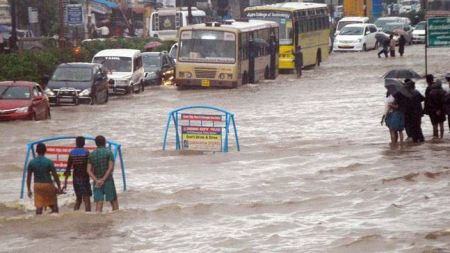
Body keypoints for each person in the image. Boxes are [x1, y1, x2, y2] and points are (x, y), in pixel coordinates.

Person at [26, 143, 62, 215]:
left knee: (39, 207)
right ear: (45, 150)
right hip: (48, 185)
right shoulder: (49, 162)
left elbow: (28, 178)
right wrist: (59, 187)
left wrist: (29, 190)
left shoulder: (32, 162)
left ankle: (38, 222)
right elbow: (55, 176)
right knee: (54, 207)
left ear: (36, 151)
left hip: (37, 186)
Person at [87, 135, 118, 212]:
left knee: (99, 202)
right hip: (108, 180)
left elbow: (88, 170)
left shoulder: (91, 154)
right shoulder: (109, 152)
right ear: (104, 142)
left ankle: (98, 222)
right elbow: (110, 168)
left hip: (97, 182)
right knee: (113, 202)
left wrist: (97, 180)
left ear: (96, 143)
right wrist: (103, 179)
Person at [63, 137, 92, 212]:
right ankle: (88, 215)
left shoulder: (72, 153)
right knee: (86, 199)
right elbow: (91, 166)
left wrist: (65, 183)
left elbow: (68, 168)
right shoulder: (86, 152)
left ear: (76, 142)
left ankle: (75, 213)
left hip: (75, 178)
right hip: (84, 178)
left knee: (78, 199)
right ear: (84, 143)